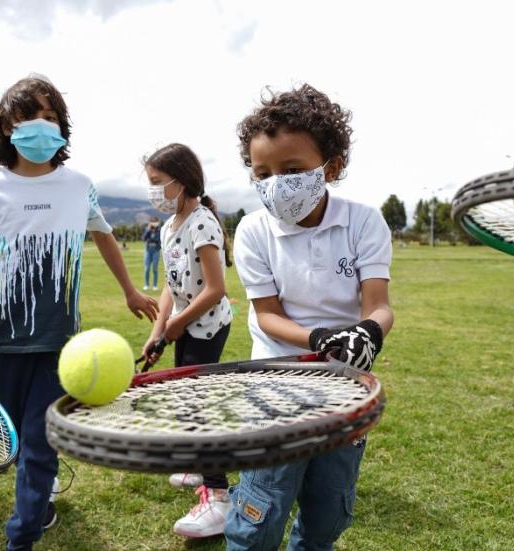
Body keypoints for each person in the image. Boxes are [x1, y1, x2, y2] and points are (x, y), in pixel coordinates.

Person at [0, 74, 158, 551]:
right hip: (1, 339)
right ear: (6, 127)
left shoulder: (80, 185)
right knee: (12, 437)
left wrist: (131, 292)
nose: (42, 125)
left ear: (63, 128)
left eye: (51, 117)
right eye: (29, 116)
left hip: (61, 342)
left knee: (39, 443)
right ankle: (39, 496)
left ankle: (23, 534)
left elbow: (103, 235)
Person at [224, 84, 394, 550]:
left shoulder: (364, 222)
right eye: (263, 173)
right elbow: (267, 317)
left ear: (331, 167)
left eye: (292, 169)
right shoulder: (253, 231)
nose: (275, 182)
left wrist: (368, 333)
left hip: (344, 394)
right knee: (260, 514)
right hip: (273, 392)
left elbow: (378, 305)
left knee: (326, 516)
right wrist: (320, 338)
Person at [138, 143, 235, 538]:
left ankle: (219, 498)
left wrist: (178, 323)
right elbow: (171, 287)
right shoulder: (168, 227)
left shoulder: (202, 222)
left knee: (194, 404)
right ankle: (198, 463)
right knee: (186, 396)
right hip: (185, 322)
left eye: (157, 183)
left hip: (208, 323)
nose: (153, 191)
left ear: (181, 180)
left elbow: (215, 289)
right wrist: (157, 331)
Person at [143, 217, 162, 290]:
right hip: (148, 250)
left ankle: (155, 285)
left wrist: (154, 241)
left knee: (155, 268)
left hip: (156, 250)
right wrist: (148, 230)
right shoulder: (148, 230)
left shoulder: (159, 231)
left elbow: (158, 239)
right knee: (147, 268)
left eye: (155, 222)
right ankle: (146, 284)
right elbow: (144, 238)